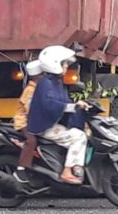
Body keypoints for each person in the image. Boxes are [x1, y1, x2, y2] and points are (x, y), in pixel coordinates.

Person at [27, 45, 89, 184]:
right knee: (79, 137)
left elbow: (63, 103)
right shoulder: (46, 83)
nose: (66, 66)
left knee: (79, 132)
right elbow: (49, 105)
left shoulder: (56, 82)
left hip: (52, 125)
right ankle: (67, 171)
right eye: (64, 63)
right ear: (55, 64)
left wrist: (77, 106)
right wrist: (72, 106)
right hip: (45, 127)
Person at [13, 60, 43, 183]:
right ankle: (21, 169)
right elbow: (30, 110)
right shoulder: (30, 90)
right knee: (31, 140)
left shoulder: (37, 88)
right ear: (37, 77)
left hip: (32, 120)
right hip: (24, 121)